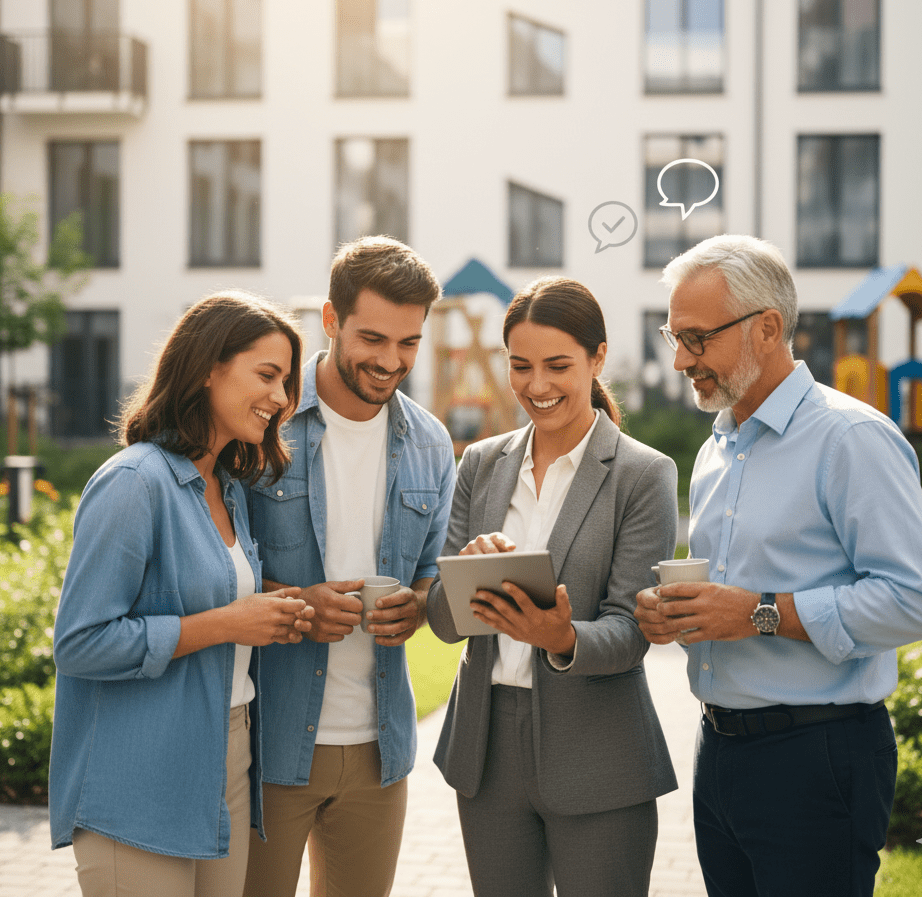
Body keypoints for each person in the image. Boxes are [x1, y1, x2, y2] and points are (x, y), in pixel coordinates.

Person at [634, 235, 922, 897]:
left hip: (818, 757)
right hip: (719, 749)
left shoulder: (851, 439)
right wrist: (678, 615)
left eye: (697, 338)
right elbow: (728, 600)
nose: (681, 359)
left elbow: (917, 600)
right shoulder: (720, 445)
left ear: (767, 328)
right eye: (674, 336)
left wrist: (757, 612)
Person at [49, 291, 313, 897]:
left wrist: (279, 608)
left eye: (286, 380)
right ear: (206, 370)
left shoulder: (226, 486)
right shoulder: (133, 483)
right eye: (267, 375)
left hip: (231, 757)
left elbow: (211, 593)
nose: (282, 398)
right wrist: (227, 623)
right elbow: (80, 643)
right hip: (139, 773)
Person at [427, 276, 679, 897]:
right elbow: (439, 616)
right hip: (486, 751)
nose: (536, 386)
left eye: (558, 365)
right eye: (521, 366)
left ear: (597, 359)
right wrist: (467, 574)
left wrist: (562, 638)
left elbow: (631, 630)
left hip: (599, 752)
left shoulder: (643, 475)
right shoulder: (481, 463)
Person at [242, 236, 456, 897]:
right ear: (330, 321)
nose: (391, 361)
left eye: (409, 343)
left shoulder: (430, 443)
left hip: (378, 750)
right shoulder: (264, 421)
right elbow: (216, 566)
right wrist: (296, 603)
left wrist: (419, 604)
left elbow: (429, 569)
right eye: (372, 338)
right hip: (267, 743)